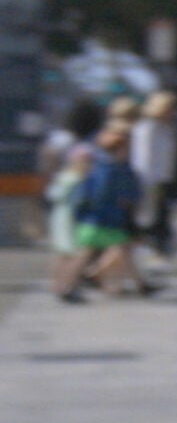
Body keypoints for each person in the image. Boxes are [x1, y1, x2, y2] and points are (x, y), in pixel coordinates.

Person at [70, 123, 156, 297]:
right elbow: (103, 195)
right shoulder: (111, 169)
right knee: (93, 252)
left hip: (101, 219)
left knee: (116, 250)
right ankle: (79, 280)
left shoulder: (104, 167)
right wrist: (125, 200)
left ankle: (139, 284)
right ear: (118, 149)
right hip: (104, 220)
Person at [43, 100, 106, 303]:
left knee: (63, 250)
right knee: (74, 248)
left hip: (59, 193)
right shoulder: (89, 143)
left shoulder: (60, 138)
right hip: (76, 202)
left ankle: (60, 284)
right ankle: (70, 284)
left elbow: (49, 157)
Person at [130, 91, 177, 257]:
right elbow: (143, 159)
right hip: (149, 180)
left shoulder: (167, 128)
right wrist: (149, 184)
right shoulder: (147, 129)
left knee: (156, 217)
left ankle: (152, 248)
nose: (174, 113)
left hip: (163, 179)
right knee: (146, 217)